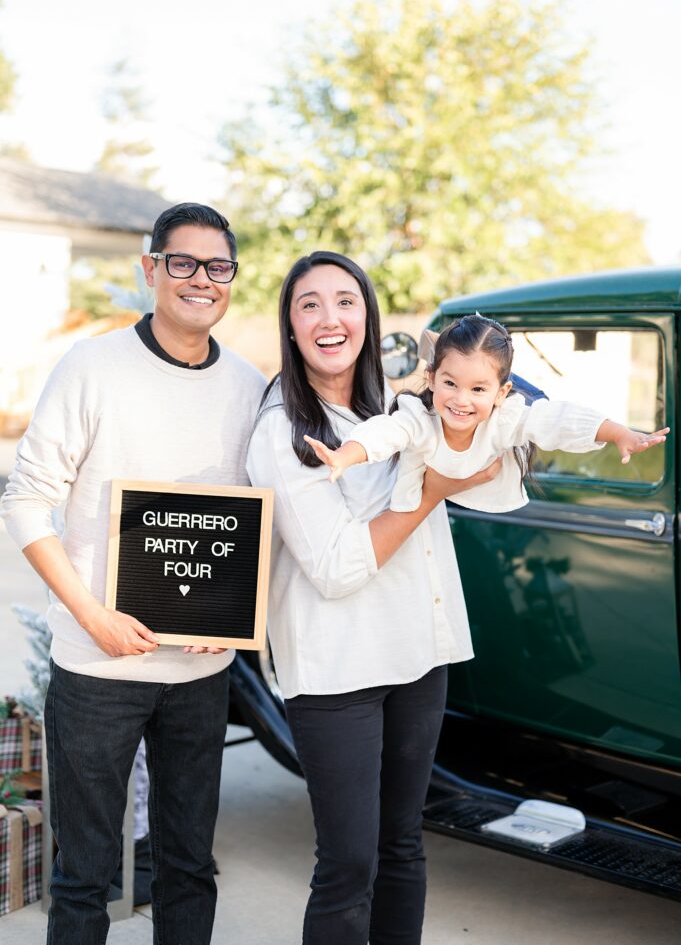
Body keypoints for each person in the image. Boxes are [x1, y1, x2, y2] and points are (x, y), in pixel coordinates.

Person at [0, 203, 265, 944]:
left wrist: (239, 614)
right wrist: (92, 615)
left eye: (218, 267)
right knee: (83, 874)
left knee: (188, 864)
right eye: (182, 262)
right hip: (94, 667)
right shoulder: (91, 366)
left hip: (199, 675)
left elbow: (259, 520)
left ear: (231, 281)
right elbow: (24, 500)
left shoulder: (249, 386)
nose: (200, 279)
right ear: (150, 270)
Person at [246, 251, 500, 945]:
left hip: (418, 658)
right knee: (347, 864)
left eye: (345, 301)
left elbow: (493, 441)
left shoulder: (399, 408)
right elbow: (334, 566)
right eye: (309, 304)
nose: (330, 318)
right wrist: (433, 495)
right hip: (337, 674)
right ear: (290, 326)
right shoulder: (282, 429)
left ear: (367, 315)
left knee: (402, 849)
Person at [305, 313, 668, 514]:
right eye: (450, 383)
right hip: (422, 497)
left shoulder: (506, 420)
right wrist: (344, 457)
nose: (461, 400)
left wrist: (619, 433)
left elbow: (555, 420)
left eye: (478, 389)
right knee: (405, 478)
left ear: (502, 393)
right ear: (431, 378)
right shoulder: (421, 420)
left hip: (492, 500)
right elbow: (384, 434)